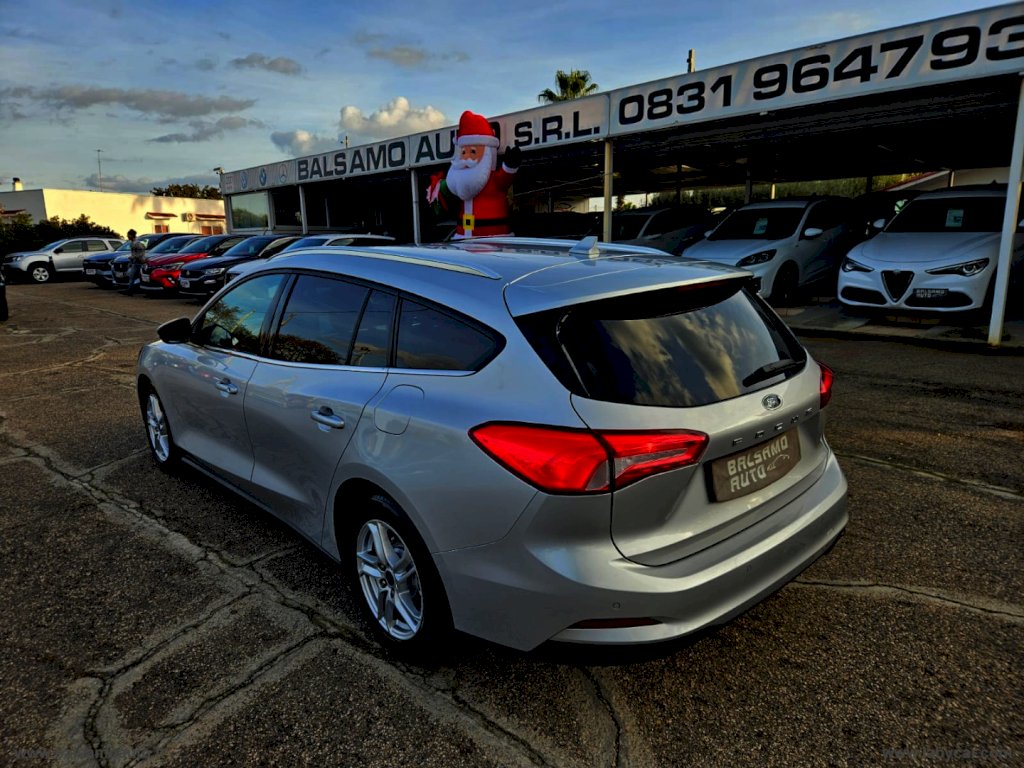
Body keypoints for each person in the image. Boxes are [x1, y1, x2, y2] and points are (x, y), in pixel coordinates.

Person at [426, 110, 521, 238]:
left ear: (488, 153)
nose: (466, 158)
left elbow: (504, 179)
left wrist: (510, 165)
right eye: (463, 152)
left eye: (473, 152)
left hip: (492, 239)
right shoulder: (459, 183)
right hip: (462, 238)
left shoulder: (492, 180)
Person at [125, 229, 146, 295]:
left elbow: (141, 252)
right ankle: (133, 289)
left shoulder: (136, 243)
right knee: (136, 276)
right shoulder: (133, 243)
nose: (127, 236)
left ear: (131, 235)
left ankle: (130, 290)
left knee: (132, 276)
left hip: (138, 261)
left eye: (128, 235)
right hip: (135, 261)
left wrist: (134, 257)